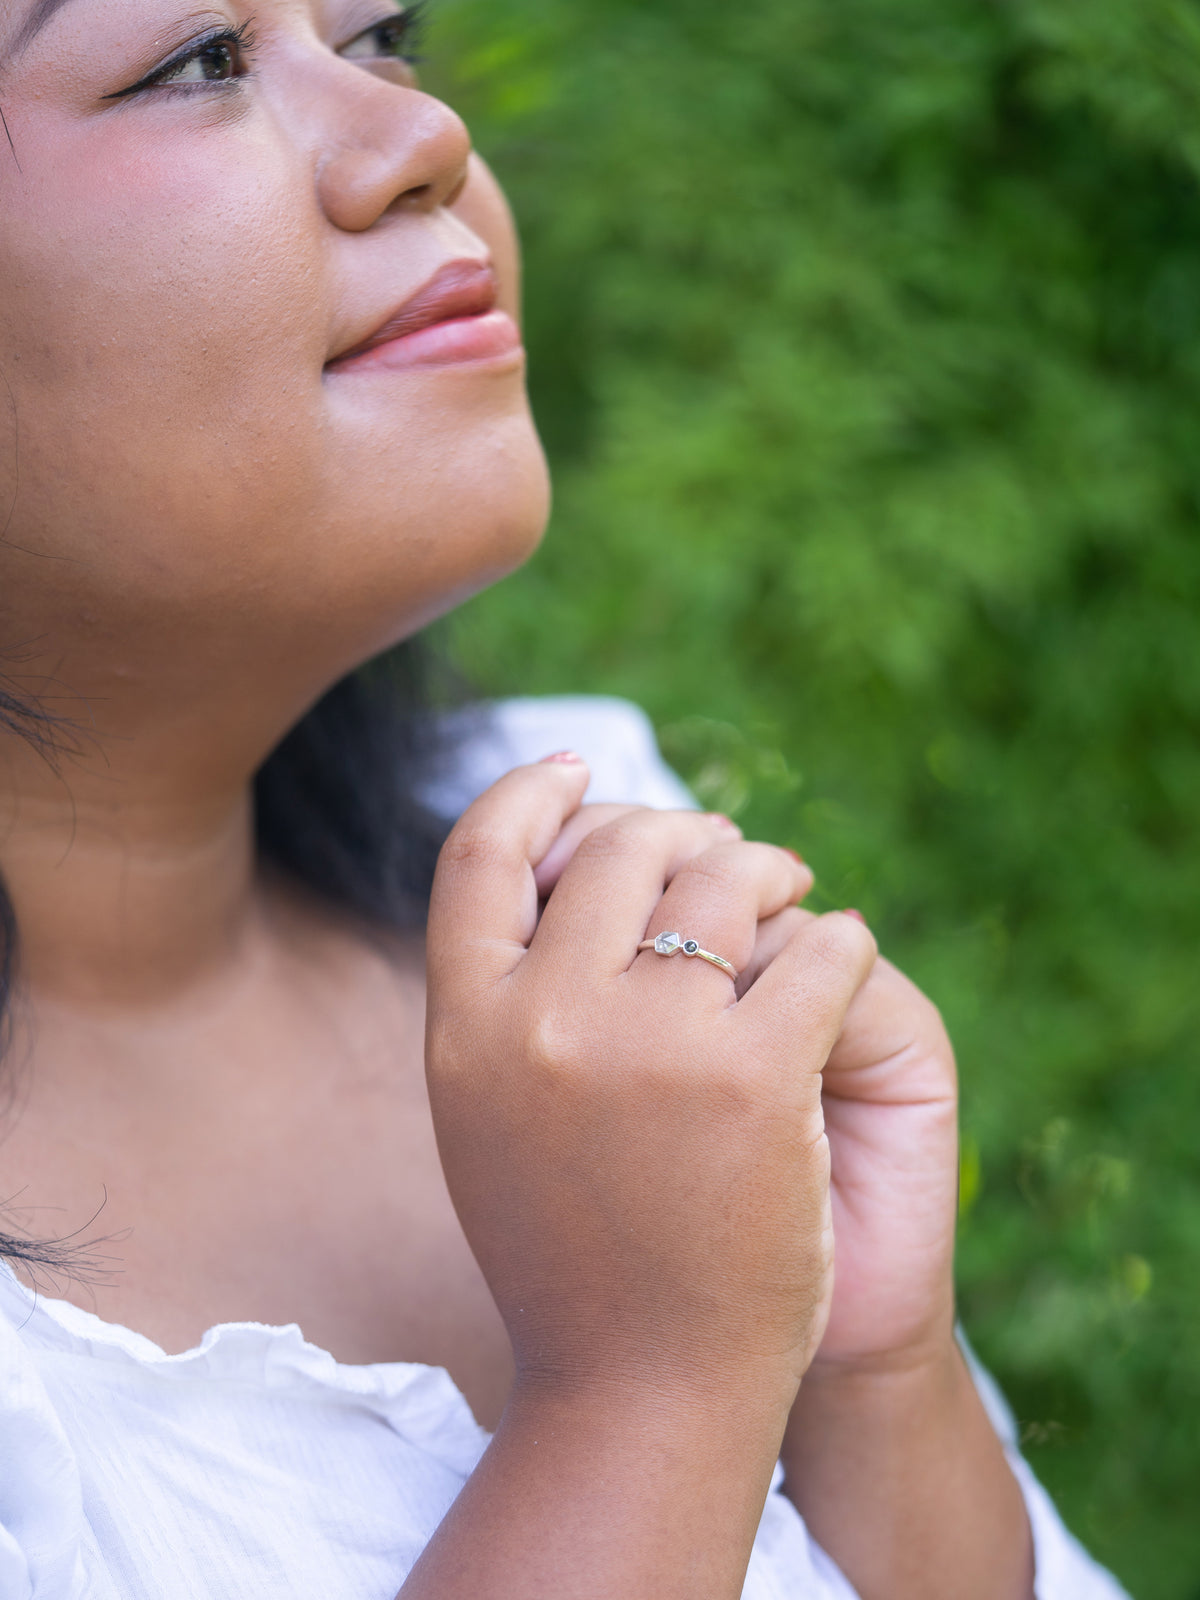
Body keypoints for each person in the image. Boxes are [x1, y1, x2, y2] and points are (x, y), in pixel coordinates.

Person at [0, 3, 1130, 1596]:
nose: (427, 137)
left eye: (380, 32)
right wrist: (655, 1386)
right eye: (194, 59)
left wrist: (872, 1374)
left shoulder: (580, 877)